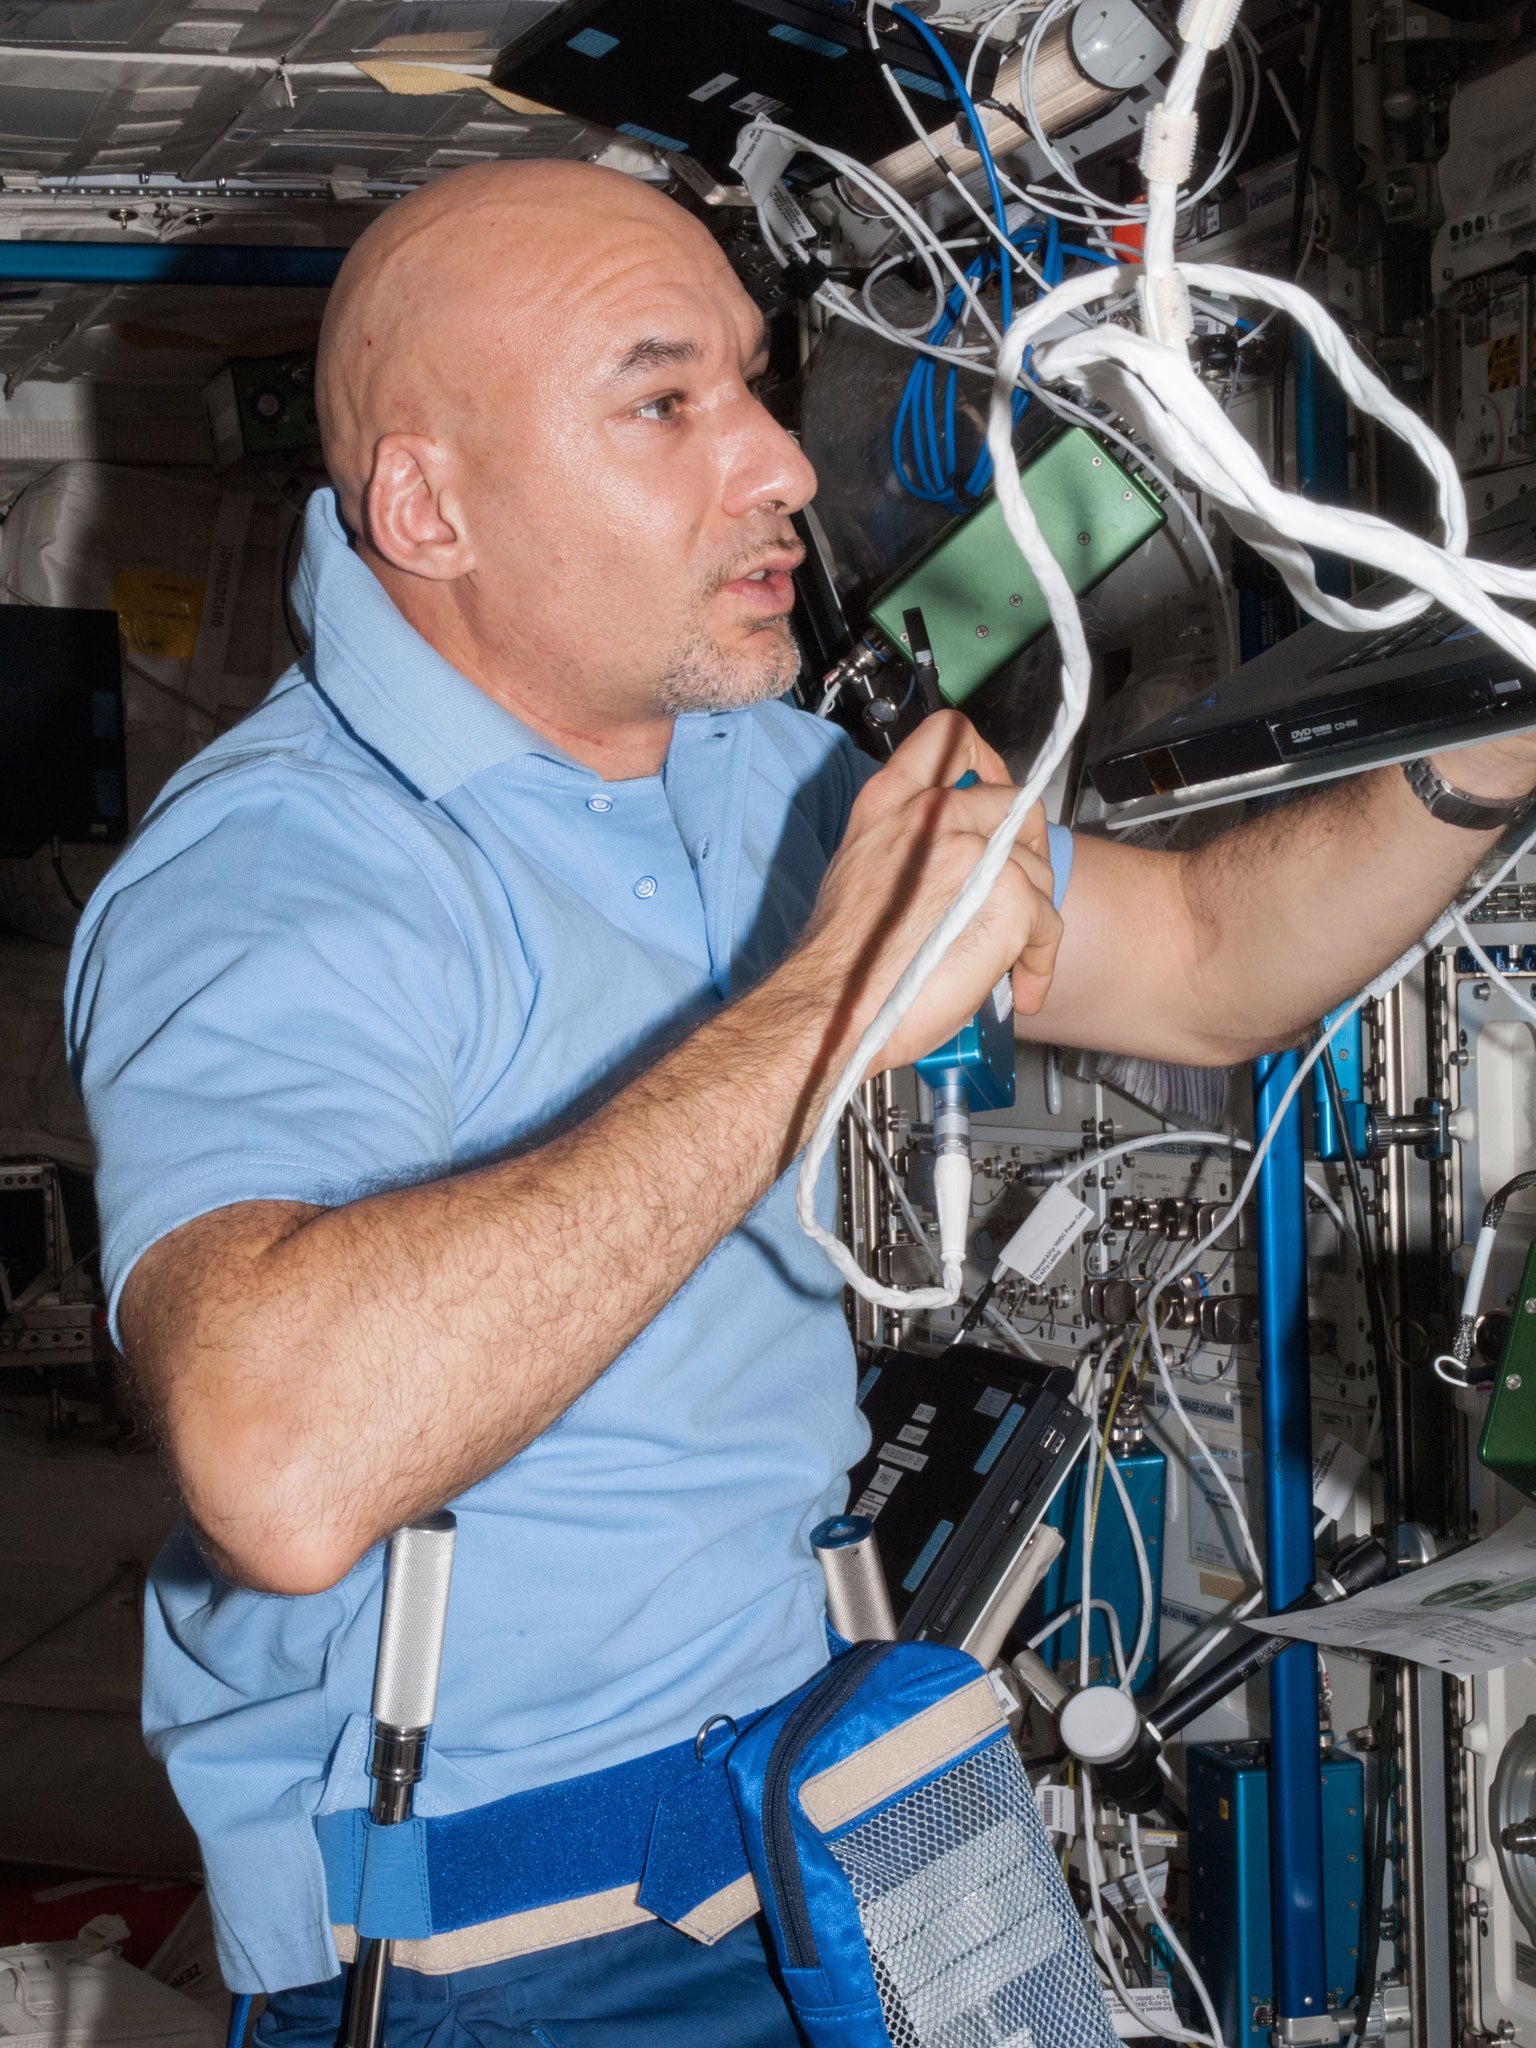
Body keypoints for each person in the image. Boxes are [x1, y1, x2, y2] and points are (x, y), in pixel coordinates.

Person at [65, 158, 1536, 2045]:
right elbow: (281, 1468)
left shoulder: (753, 769)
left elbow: (1198, 958)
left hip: (816, 1802)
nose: (781, 465)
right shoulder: (285, 874)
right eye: (663, 401)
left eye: (755, 388)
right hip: (508, 1932)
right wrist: (827, 1000)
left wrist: (1484, 743)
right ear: (429, 504)